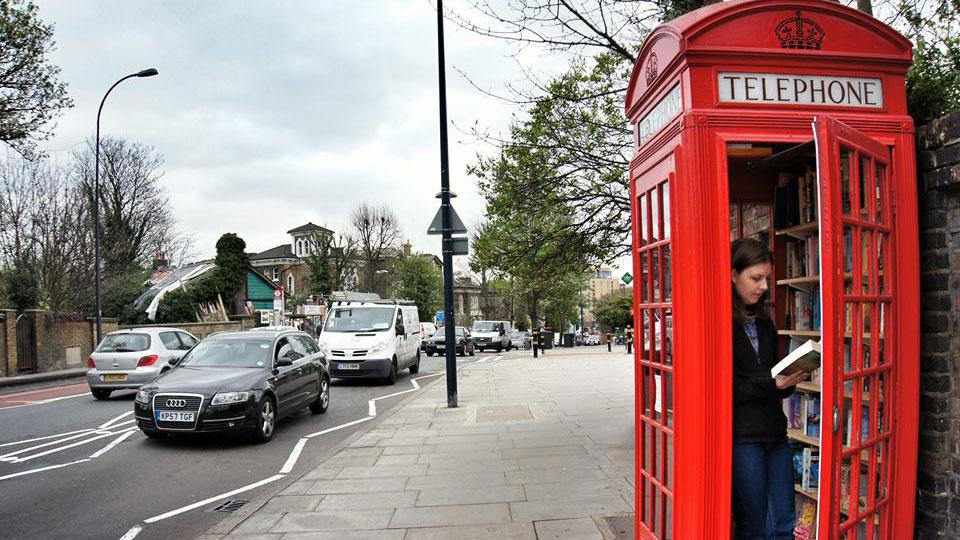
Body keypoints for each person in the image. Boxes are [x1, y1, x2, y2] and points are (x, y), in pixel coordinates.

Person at [730, 238, 807, 540]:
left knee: (783, 524)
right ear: (733, 274)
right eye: (756, 278)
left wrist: (789, 381)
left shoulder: (763, 323)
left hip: (775, 436)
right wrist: (771, 384)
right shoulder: (720, 323)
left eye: (767, 279)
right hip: (743, 439)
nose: (763, 286)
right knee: (754, 526)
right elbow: (725, 389)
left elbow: (773, 379)